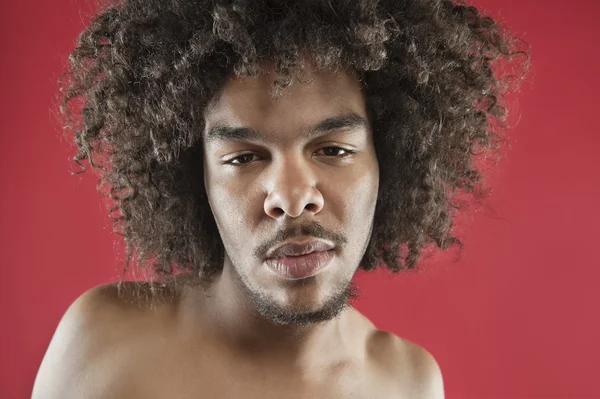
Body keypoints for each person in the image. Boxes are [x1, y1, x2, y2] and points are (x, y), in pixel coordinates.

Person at [32, 0, 527, 397]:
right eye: (244, 158)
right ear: (195, 178)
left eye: (333, 149)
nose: (292, 199)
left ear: (390, 161)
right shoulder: (104, 346)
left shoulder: (408, 385)